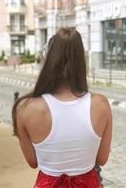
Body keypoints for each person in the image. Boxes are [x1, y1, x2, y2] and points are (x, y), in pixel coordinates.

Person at [12, 28, 112, 188]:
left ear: (49, 59)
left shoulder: (25, 108)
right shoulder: (100, 104)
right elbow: (102, 159)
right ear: (81, 60)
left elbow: (33, 162)